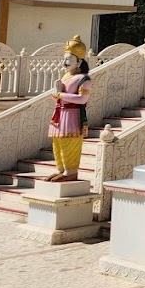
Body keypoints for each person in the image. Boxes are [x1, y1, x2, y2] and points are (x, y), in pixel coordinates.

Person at [46, 35, 92, 182]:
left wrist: (60, 94)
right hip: (59, 113)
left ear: (79, 62)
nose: (64, 62)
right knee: (57, 143)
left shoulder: (84, 79)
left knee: (69, 143)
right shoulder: (66, 76)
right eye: (64, 59)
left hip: (72, 115)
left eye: (68, 59)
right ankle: (60, 169)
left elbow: (82, 99)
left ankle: (70, 171)